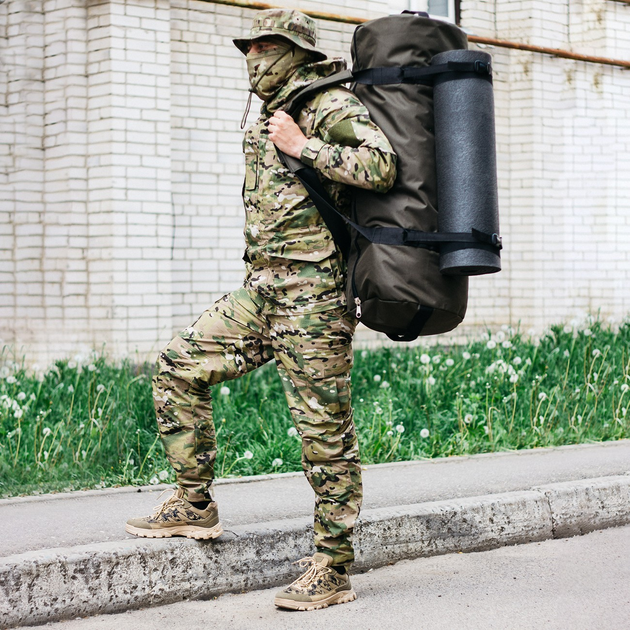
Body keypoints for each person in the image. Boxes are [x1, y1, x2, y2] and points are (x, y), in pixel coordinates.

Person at [126, 8, 396, 611]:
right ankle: (194, 506)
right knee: (177, 367)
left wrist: (304, 146)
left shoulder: (326, 106)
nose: (252, 56)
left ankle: (332, 566)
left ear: (296, 50)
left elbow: (381, 166)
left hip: (314, 300)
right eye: (247, 47)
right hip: (263, 293)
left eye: (264, 46)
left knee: (323, 434)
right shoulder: (268, 111)